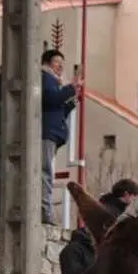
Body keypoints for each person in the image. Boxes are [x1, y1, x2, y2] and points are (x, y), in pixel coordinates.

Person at [41, 50, 81, 224]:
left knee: (47, 172)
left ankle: (45, 209)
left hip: (53, 133)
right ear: (47, 63)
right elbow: (50, 100)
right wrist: (70, 88)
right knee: (45, 172)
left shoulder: (54, 82)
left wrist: (71, 102)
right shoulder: (45, 79)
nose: (60, 66)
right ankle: (44, 211)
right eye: (57, 62)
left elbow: (58, 110)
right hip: (47, 133)